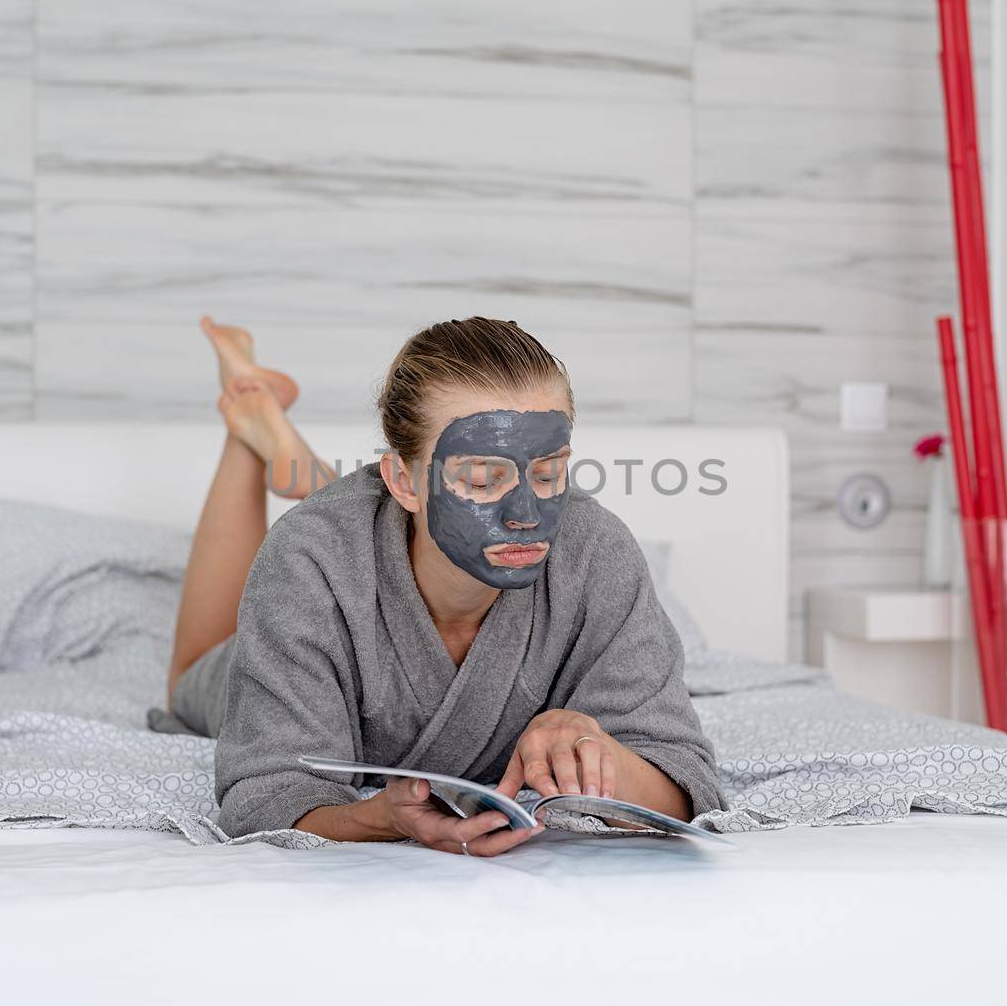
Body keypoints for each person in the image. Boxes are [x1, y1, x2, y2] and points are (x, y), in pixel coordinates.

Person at [156, 315, 722, 856]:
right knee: (195, 668)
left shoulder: (595, 552)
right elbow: (264, 793)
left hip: (375, 524)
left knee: (352, 531)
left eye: (549, 473)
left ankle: (291, 452)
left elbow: (685, 781)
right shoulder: (307, 559)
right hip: (331, 561)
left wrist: (600, 753)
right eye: (481, 478)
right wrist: (379, 818)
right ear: (401, 479)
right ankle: (249, 423)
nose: (528, 513)